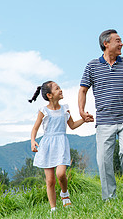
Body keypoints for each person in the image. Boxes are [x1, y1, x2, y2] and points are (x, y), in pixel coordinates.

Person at [78, 29, 123, 201]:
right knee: (103, 161)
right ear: (106, 44)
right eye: (118, 40)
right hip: (104, 121)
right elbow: (83, 90)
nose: (122, 44)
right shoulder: (92, 65)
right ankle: (109, 197)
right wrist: (81, 110)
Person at [29, 81, 85, 212]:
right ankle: (53, 208)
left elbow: (72, 125)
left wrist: (84, 120)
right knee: (50, 181)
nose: (61, 90)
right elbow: (35, 128)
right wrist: (33, 141)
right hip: (47, 145)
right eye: (57, 89)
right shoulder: (43, 111)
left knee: (60, 174)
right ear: (49, 95)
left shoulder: (65, 109)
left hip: (61, 144)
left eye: (60, 88)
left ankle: (64, 194)